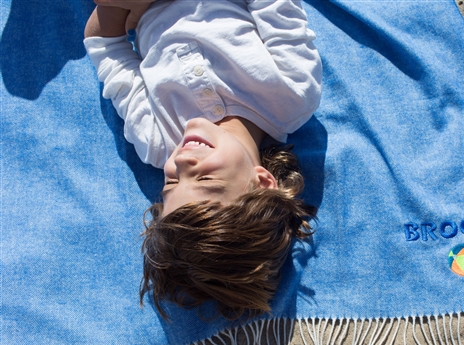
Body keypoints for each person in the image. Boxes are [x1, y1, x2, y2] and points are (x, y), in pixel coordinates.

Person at [84, 0, 322, 319]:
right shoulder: (293, 94)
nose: (181, 162)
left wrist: (120, 6)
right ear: (262, 182)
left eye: (170, 182)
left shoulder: (156, 140)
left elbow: (105, 47)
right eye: (204, 179)